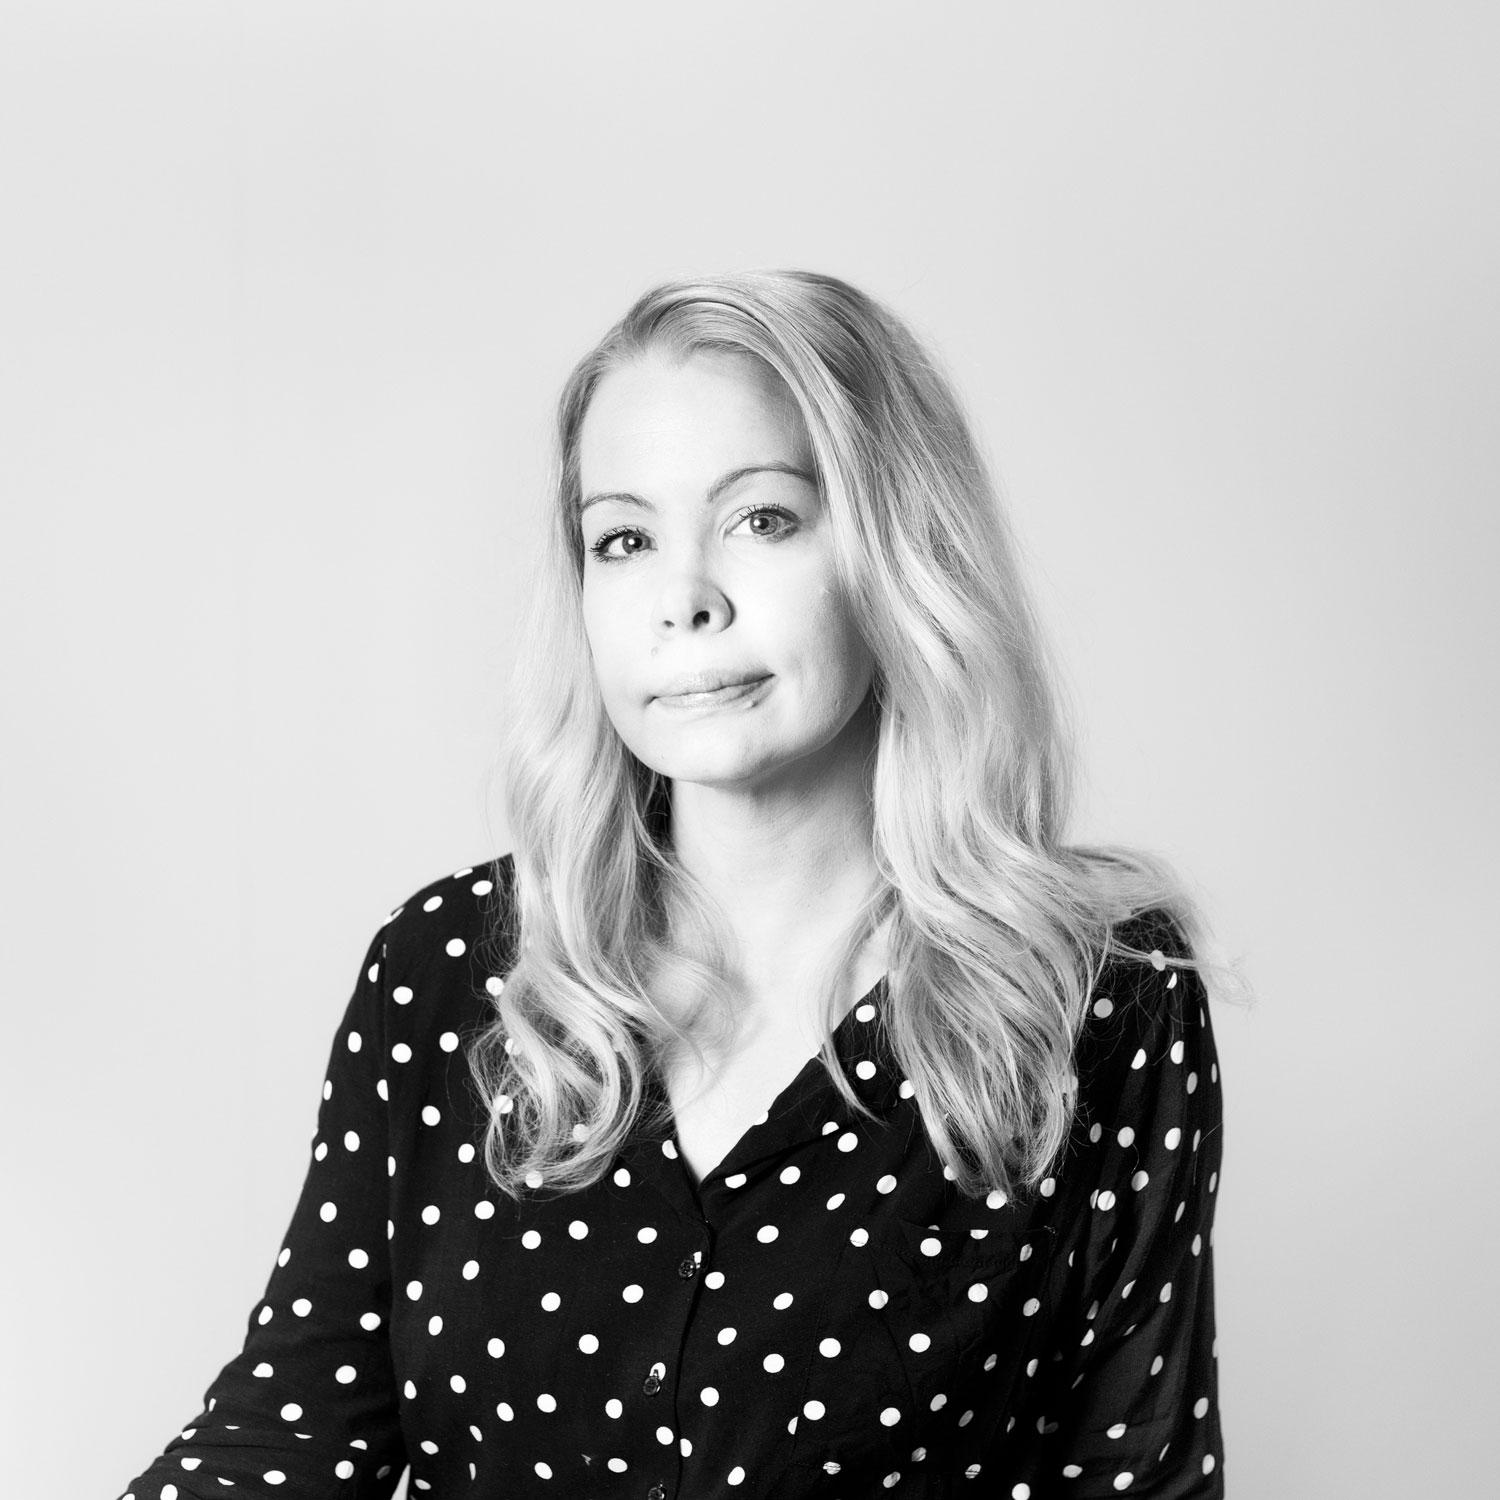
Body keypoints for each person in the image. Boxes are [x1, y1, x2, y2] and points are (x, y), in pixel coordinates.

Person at [120, 270, 1227, 1499]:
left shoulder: (1102, 995)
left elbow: (1138, 1478)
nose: (683, 600)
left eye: (763, 519)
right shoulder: (451, 973)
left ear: (897, 546)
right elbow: (289, 1432)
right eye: (625, 539)